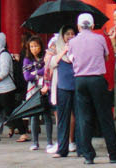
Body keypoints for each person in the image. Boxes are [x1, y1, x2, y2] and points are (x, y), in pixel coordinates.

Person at [69, 13, 116, 164]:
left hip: (80, 80)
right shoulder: (100, 38)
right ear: (93, 26)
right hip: (97, 79)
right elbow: (106, 57)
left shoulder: (73, 42)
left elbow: (70, 59)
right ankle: (113, 153)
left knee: (84, 117)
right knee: (105, 116)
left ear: (79, 26)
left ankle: (88, 155)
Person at [50, 26, 78, 157]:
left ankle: (80, 147)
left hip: (77, 85)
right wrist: (64, 51)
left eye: (73, 34)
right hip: (63, 86)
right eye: (67, 34)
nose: (70, 36)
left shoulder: (79, 47)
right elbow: (52, 63)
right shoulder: (57, 47)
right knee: (62, 119)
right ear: (62, 36)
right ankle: (62, 149)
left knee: (80, 117)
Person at [24, 35, 53, 151]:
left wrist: (34, 73)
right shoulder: (27, 60)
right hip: (33, 91)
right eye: (31, 46)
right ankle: (35, 142)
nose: (34, 48)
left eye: (36, 46)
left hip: (44, 88)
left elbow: (47, 69)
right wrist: (39, 73)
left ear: (41, 46)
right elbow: (26, 77)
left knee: (46, 116)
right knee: (34, 116)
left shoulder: (45, 58)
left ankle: (49, 141)